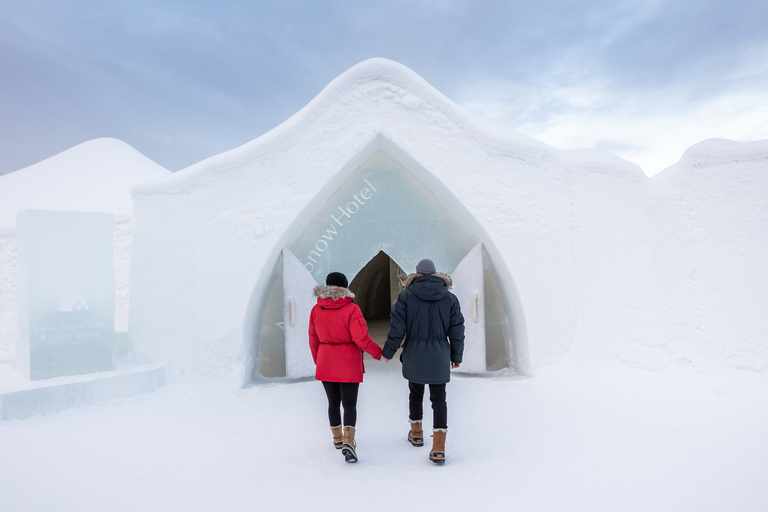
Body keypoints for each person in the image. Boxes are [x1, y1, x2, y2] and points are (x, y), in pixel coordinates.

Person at [382, 258, 465, 464]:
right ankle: (439, 447)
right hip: (439, 355)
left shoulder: (406, 297)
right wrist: (456, 356)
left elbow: (397, 329)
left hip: (415, 353)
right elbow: (457, 330)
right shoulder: (449, 298)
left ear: (417, 274)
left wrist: (388, 351)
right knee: (439, 399)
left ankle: (416, 433)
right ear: (436, 274)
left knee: (415, 393)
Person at [309, 271, 383, 463]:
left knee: (333, 403)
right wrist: (377, 352)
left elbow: (313, 338)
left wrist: (319, 361)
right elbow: (360, 338)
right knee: (349, 403)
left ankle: (337, 439)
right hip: (348, 361)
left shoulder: (316, 310)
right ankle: (349, 441)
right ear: (345, 286)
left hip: (326, 359)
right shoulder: (352, 309)